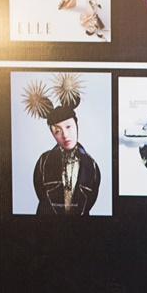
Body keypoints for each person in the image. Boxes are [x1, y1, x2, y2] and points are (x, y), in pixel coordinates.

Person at [23, 75, 101, 215]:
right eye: (57, 131)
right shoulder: (43, 162)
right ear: (52, 133)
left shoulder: (92, 166)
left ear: (76, 125)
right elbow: (41, 195)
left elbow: (90, 201)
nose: (65, 135)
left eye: (69, 127)